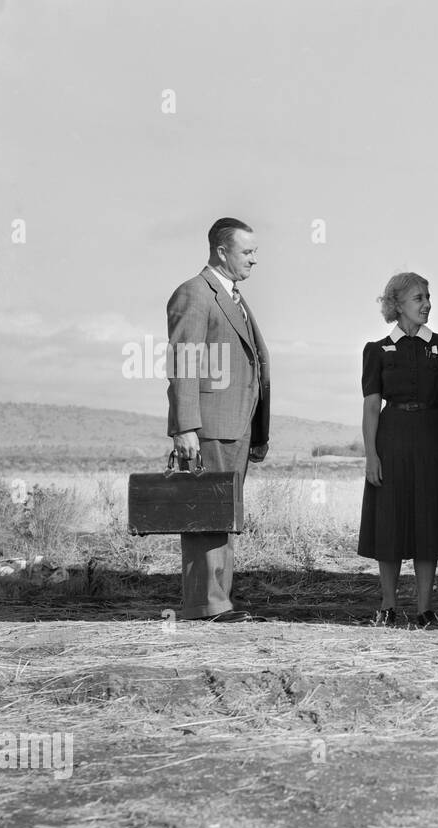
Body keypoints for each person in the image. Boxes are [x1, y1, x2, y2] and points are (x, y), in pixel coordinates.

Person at [166, 217, 271, 621]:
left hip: (237, 427)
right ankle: (205, 605)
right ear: (221, 251)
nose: (254, 260)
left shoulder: (234, 297)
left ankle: (218, 602)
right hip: (208, 427)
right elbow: (183, 363)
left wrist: (257, 429)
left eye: (255, 252)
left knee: (223, 517)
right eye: (247, 252)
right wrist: (186, 427)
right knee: (204, 516)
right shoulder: (195, 293)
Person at [357, 272, 438, 628]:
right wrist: (371, 455)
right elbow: (372, 407)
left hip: (433, 438)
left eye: (427, 296)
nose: (427, 303)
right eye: (418, 298)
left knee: (428, 519)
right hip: (391, 440)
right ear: (397, 305)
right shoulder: (376, 350)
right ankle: (388, 606)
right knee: (388, 518)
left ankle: (424, 609)